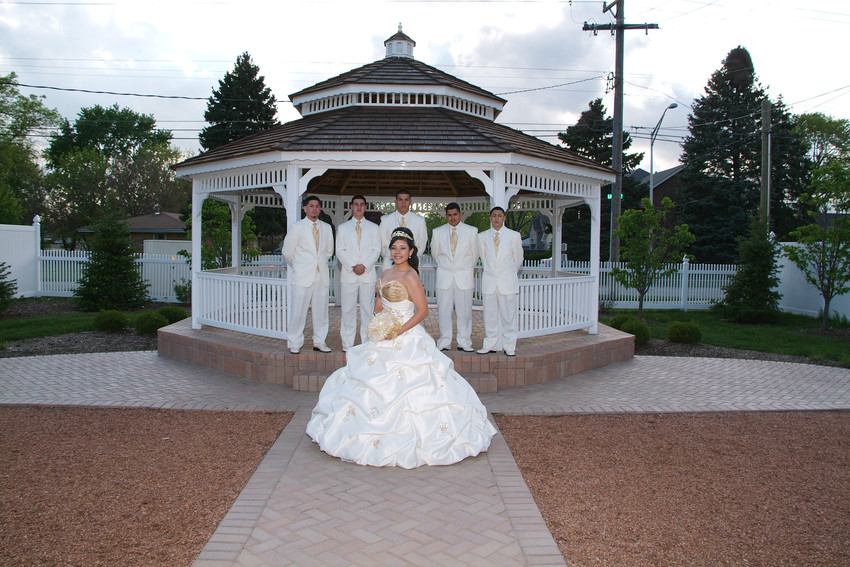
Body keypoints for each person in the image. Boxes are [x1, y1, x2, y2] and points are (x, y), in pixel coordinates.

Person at [306, 227, 496, 468]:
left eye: (402, 249)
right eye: (394, 248)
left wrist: (398, 330)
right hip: (383, 335)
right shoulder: (385, 273)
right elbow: (378, 305)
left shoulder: (411, 277)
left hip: (406, 336)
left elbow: (423, 311)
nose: (397, 252)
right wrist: (378, 322)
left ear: (411, 251)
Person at [281, 195, 334, 354]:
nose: (314, 209)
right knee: (298, 311)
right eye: (311, 206)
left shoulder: (326, 227)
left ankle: (319, 341)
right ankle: (294, 342)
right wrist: (299, 266)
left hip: (321, 275)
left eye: (317, 206)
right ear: (305, 208)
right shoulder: (297, 227)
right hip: (302, 276)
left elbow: (329, 251)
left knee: (321, 312)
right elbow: (287, 252)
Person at [430, 202, 479, 352]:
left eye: (455, 214)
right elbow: (435, 254)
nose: (452, 218)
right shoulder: (437, 232)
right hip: (444, 277)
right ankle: (444, 341)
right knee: (444, 311)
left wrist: (463, 268)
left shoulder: (472, 231)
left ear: (460, 214)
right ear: (446, 216)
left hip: (464, 277)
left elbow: (475, 255)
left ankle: (464, 342)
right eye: (449, 215)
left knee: (464, 312)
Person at [335, 195, 381, 352]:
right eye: (356, 204)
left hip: (367, 275)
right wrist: (353, 266)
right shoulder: (343, 228)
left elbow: (377, 249)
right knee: (347, 310)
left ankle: (366, 343)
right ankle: (347, 344)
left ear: (366, 207)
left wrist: (365, 266)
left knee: (367, 311)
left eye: (362, 204)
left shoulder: (374, 228)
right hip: (349, 275)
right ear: (351, 207)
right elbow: (339, 250)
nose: (359, 207)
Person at [477, 206, 523, 357]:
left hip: (507, 282)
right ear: (490, 218)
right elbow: (484, 258)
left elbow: (518, 259)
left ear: (504, 218)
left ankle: (509, 345)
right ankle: (490, 343)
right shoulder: (482, 237)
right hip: (490, 282)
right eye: (494, 215)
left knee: (509, 316)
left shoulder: (514, 236)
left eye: (499, 215)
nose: (497, 218)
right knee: (489, 316)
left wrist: (507, 273)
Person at [379, 189, 428, 259]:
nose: (403, 203)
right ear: (395, 202)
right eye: (400, 200)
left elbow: (422, 243)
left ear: (410, 202)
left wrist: (411, 257)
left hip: (412, 263)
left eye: (406, 200)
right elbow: (382, 243)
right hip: (390, 262)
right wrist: (391, 257)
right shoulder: (385, 220)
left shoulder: (420, 220)